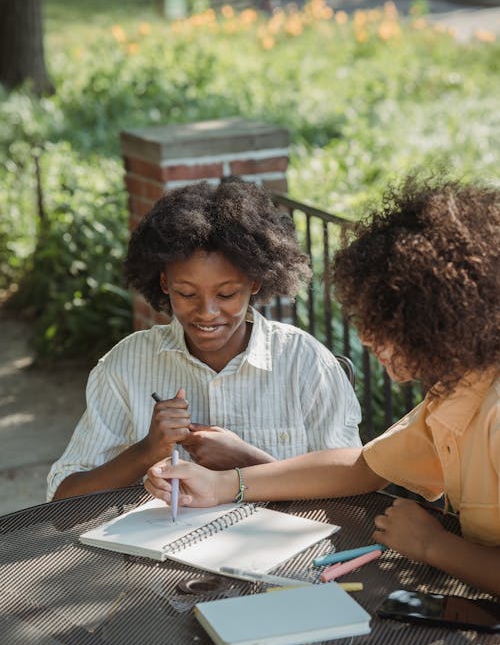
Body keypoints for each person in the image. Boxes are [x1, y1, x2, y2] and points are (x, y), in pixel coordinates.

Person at [146, 176, 500, 599]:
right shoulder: (457, 395)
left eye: (383, 325)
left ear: (442, 321)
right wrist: (223, 485)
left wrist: (435, 546)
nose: (367, 340)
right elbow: (366, 466)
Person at [47, 176, 361, 502]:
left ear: (255, 283)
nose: (207, 312)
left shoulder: (305, 362)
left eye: (226, 294)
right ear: (165, 283)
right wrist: (145, 452)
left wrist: (246, 462)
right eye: (186, 293)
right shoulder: (125, 367)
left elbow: (352, 487)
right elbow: (63, 500)